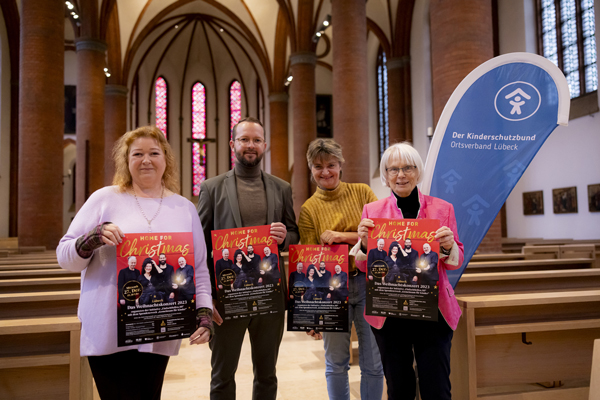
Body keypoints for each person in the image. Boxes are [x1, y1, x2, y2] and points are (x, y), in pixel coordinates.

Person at [56, 126, 214, 400]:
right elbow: (64, 256)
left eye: (154, 153)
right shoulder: (104, 199)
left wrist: (205, 313)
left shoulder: (184, 208)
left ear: (166, 159)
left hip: (160, 328)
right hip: (109, 330)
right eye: (137, 154)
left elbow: (198, 268)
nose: (146, 160)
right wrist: (93, 238)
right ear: (126, 161)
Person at [197, 117, 299, 400]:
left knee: (267, 374)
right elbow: (201, 245)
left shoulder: (282, 188)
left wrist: (285, 238)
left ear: (264, 144)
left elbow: (294, 233)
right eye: (244, 139)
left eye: (256, 140)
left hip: (270, 295)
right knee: (222, 376)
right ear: (233, 144)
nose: (250, 145)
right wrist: (208, 297)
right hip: (227, 297)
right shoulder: (212, 188)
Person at [356, 142, 464, 400]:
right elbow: (363, 265)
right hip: (389, 311)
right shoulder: (373, 211)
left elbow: (454, 262)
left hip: (433, 311)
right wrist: (362, 244)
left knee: (436, 386)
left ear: (418, 171)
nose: (401, 175)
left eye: (407, 168)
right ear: (385, 174)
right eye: (393, 169)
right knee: (398, 387)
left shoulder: (442, 209)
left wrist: (448, 246)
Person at [297, 138, 384, 400]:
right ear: (310, 169)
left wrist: (340, 236)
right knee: (335, 364)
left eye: (331, 165)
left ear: (341, 164)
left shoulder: (363, 193)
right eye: (318, 166)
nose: (325, 172)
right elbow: (310, 263)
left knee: (373, 363)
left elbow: (380, 238)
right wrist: (310, 313)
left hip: (369, 284)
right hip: (332, 291)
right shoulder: (308, 209)